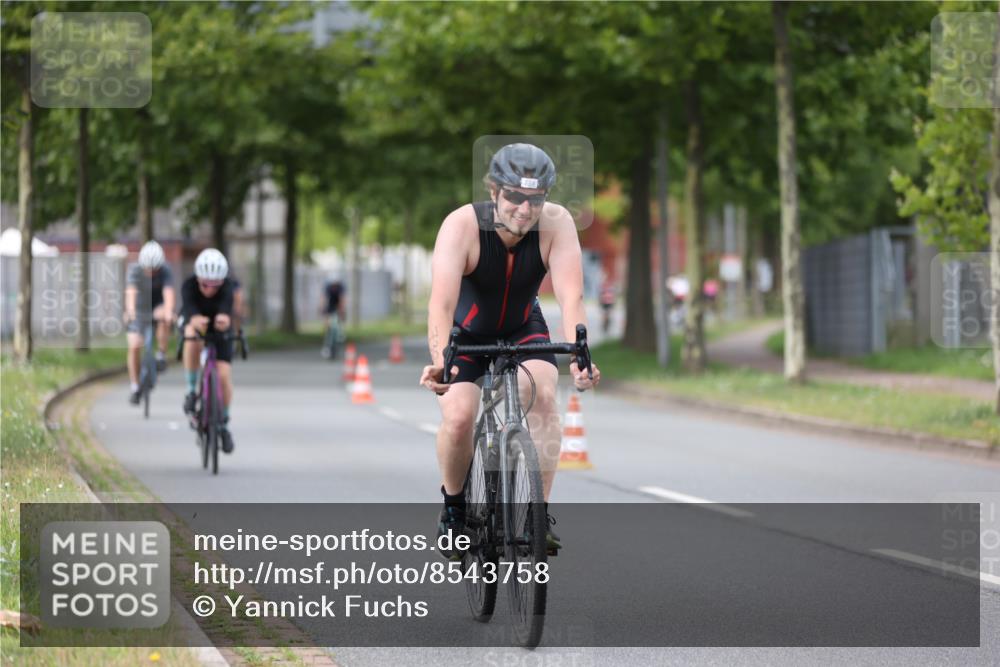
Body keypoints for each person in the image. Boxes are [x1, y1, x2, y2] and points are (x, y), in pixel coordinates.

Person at [419, 143, 601, 559]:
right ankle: (454, 510)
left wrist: (580, 355)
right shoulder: (461, 226)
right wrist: (438, 359)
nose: (524, 209)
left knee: (541, 391)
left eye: (535, 199)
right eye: (515, 197)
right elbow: (441, 305)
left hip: (522, 327)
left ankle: (537, 517)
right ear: (493, 190)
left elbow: (572, 298)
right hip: (465, 333)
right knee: (461, 416)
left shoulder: (557, 224)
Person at [180, 248, 237, 454]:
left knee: (223, 375)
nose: (210, 289)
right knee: (191, 335)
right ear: (198, 279)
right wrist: (196, 320)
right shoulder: (188, 286)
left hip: (220, 329)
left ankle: (223, 423)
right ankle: (191, 390)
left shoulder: (228, 287)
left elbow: (226, 310)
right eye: (205, 284)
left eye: (216, 285)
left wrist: (224, 319)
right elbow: (189, 312)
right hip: (197, 324)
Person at [124, 241, 175, 405]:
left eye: (155, 270)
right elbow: (131, 292)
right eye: (149, 270)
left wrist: (168, 312)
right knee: (134, 345)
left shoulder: (166, 270)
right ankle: (135, 387)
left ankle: (161, 354)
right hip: (139, 308)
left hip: (157, 306)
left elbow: (169, 294)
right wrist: (130, 312)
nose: (152, 273)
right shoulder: (135, 270)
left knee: (164, 317)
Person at [320, 276, 346, 359]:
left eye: (336, 284)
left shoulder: (341, 287)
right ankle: (327, 344)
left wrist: (342, 311)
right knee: (327, 325)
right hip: (329, 306)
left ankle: (339, 336)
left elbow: (342, 299)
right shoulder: (327, 287)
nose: (334, 286)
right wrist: (323, 309)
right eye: (333, 285)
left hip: (337, 306)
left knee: (339, 322)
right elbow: (323, 298)